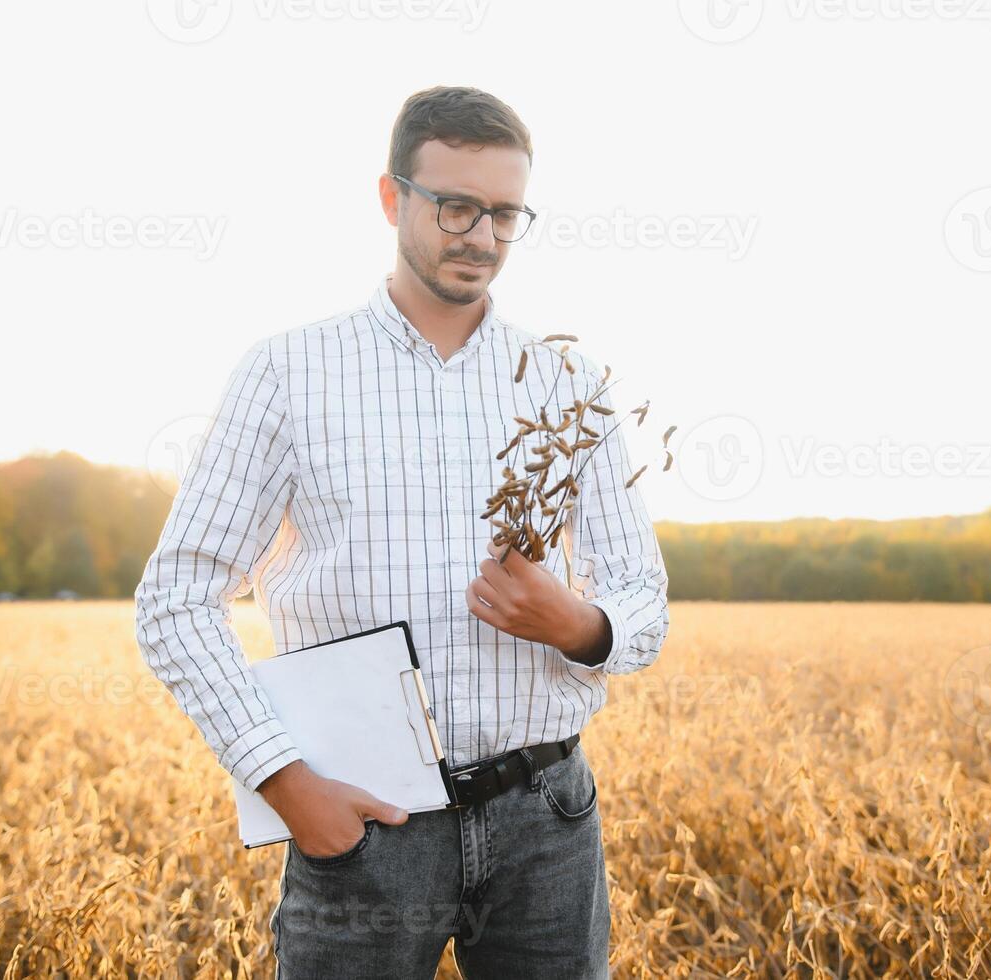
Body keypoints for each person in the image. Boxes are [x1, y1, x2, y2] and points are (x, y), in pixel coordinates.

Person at [133, 84, 670, 979]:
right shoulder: (288, 371)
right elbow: (175, 600)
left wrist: (574, 623)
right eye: (456, 206)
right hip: (366, 826)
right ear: (391, 198)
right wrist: (288, 787)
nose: (483, 237)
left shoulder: (567, 382)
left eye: (505, 214)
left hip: (548, 818)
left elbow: (639, 593)